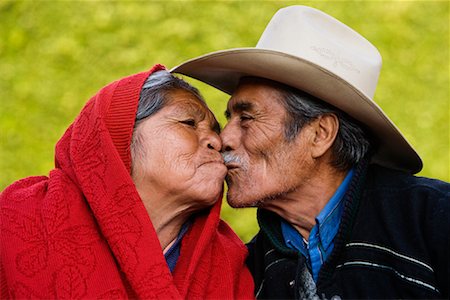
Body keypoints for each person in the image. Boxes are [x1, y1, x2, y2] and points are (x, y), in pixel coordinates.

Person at [171, 5, 449, 299]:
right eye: (229, 119)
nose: (223, 138)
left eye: (247, 118)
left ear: (320, 134)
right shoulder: (247, 269)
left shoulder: (433, 218)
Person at [0, 64, 254, 299]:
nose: (217, 142)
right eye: (189, 123)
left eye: (214, 130)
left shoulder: (230, 264)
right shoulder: (17, 222)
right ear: (117, 137)